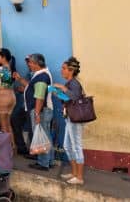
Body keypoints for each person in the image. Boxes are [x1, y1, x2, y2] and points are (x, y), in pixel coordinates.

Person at [14, 53, 54, 171]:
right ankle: (48, 161)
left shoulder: (42, 77)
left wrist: (36, 113)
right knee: (46, 136)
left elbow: (39, 97)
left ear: (37, 64)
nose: (29, 64)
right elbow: (31, 87)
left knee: (41, 136)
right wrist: (20, 79)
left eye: (31, 62)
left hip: (40, 111)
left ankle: (43, 163)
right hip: (43, 110)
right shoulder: (41, 75)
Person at [53, 57, 85, 185]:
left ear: (71, 71)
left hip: (76, 119)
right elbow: (67, 100)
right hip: (70, 117)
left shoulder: (74, 84)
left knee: (76, 146)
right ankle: (74, 173)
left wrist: (62, 88)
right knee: (67, 145)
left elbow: (76, 97)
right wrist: (58, 93)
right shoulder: (69, 83)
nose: (62, 70)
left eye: (64, 68)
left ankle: (80, 177)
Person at [0, 49, 17, 148]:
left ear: (3, 57)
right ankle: (13, 146)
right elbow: (8, 83)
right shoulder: (11, 68)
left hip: (3, 97)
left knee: (3, 126)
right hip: (11, 96)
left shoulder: (1, 69)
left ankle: (6, 149)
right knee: (8, 124)